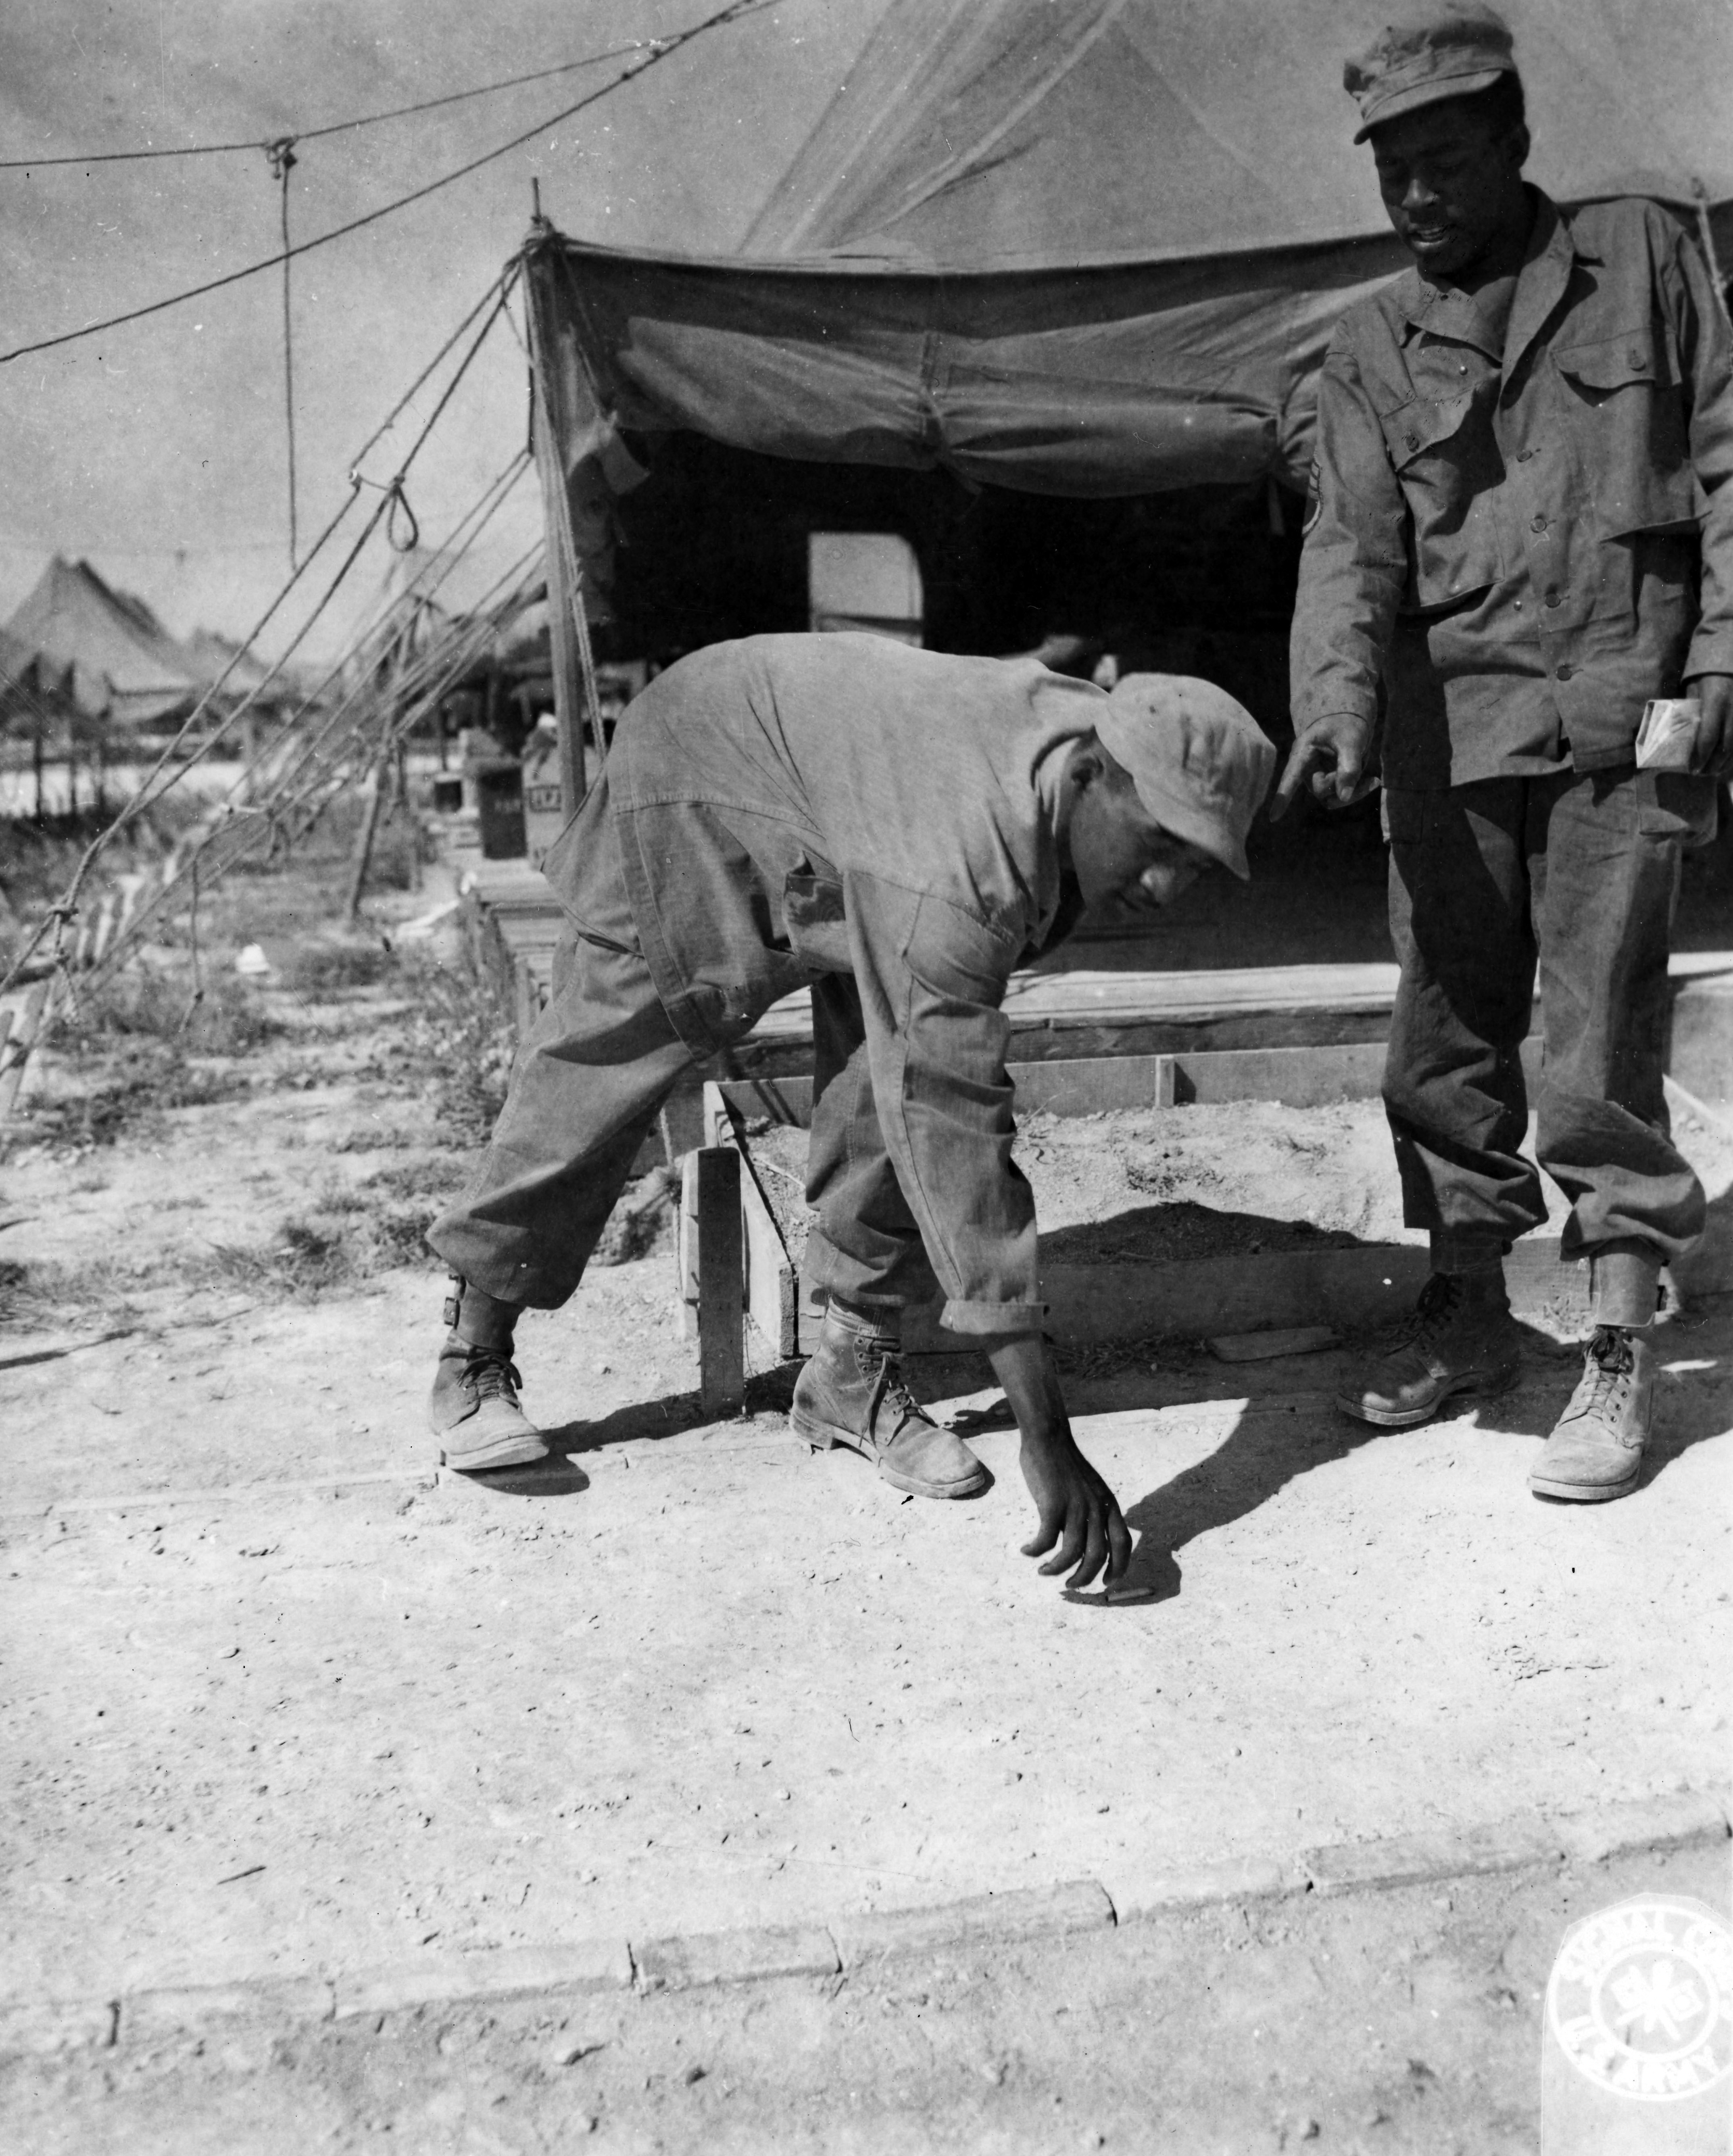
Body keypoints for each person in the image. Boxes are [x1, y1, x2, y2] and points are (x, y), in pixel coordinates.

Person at [426, 632, 1274, 1590]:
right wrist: (1047, 1433)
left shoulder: (1082, 757)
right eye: (1158, 844)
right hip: (704, 761)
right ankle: (472, 1353)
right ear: (1089, 776)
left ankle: (851, 1372)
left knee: (884, 1074)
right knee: (612, 1055)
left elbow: (917, 1094)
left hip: (847, 812)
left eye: (1196, 865)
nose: (1166, 888)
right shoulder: (961, 859)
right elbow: (958, 1137)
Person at [1278, 3, 1733, 1502]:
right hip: (1445, 728)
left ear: (1514, 143)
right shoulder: (1364, 345)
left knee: (1596, 1030)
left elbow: (1727, 461)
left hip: (1627, 708)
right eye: (1388, 172)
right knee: (1444, 1030)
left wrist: (1720, 662)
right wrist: (1333, 714)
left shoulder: (1648, 256)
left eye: (1443, 162)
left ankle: (1611, 1345)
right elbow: (1347, 544)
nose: (1413, 198)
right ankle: (1467, 1312)